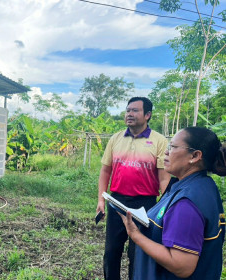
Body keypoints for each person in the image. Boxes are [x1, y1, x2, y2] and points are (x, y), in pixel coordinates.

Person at [120, 127, 226, 280]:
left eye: (173, 147)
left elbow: (182, 266)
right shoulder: (203, 185)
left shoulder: (186, 203)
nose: (166, 152)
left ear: (195, 156)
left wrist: (136, 235)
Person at [96, 97, 171, 280]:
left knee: (137, 253)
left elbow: (163, 178)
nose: (129, 114)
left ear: (147, 115)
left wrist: (167, 206)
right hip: (117, 201)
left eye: (135, 110)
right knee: (112, 250)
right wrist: (101, 200)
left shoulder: (159, 141)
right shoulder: (116, 139)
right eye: (128, 110)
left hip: (145, 204)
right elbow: (106, 171)